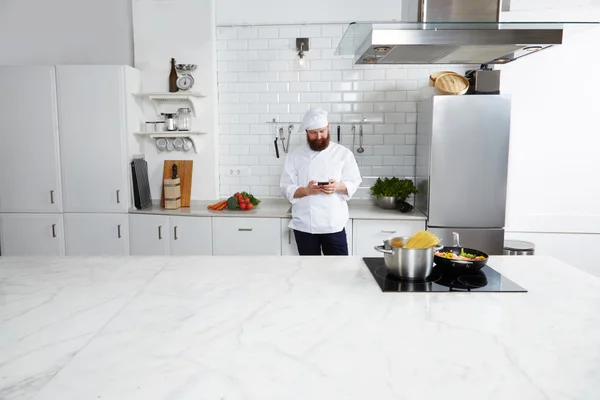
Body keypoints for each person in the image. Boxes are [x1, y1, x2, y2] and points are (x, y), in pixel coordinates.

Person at [280, 108, 362, 256]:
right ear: (306, 132)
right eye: (313, 133)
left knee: (339, 270)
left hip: (334, 225)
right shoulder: (295, 155)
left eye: (322, 131)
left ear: (328, 127)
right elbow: (286, 187)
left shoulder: (343, 153)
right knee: (309, 272)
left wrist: (337, 186)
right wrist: (307, 190)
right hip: (305, 225)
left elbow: (353, 182)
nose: (319, 136)